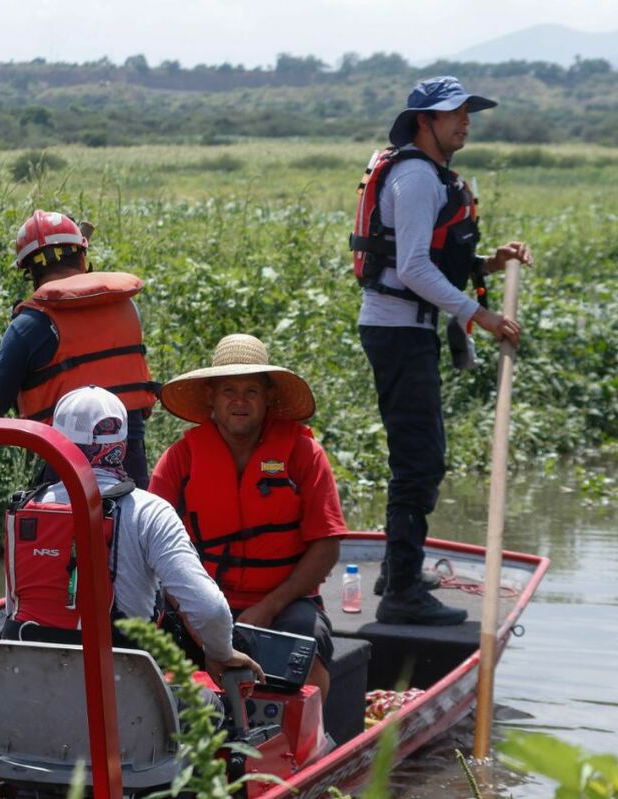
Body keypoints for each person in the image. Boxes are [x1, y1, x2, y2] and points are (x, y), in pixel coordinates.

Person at [351, 76, 533, 625]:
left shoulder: (429, 176)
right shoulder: (415, 178)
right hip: (398, 331)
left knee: (418, 456)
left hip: (409, 328)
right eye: (454, 113)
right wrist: (479, 314)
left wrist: (489, 265)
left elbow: (431, 262)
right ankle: (403, 590)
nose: (466, 121)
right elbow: (411, 268)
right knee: (420, 461)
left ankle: (395, 570)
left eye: (468, 112)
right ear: (424, 121)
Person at [1, 385, 263, 686]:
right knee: (212, 709)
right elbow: (210, 609)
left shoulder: (22, 509)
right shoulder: (150, 511)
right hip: (120, 696)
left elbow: (15, 605)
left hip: (29, 687)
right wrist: (221, 651)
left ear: (58, 440)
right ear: (122, 443)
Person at [149, 334, 346, 699]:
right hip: (198, 602)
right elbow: (150, 547)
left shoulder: (304, 453)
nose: (239, 401)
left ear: (268, 397)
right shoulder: (181, 457)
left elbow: (327, 546)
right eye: (228, 390)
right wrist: (201, 626)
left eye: (251, 391)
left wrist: (268, 607)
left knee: (308, 656)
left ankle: (310, 750)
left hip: (285, 603)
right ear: (211, 397)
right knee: (143, 654)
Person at [0, 209, 159, 487]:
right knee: (130, 529)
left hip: (66, 471)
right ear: (83, 258)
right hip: (130, 468)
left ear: (31, 272)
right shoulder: (128, 307)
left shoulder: (30, 324)